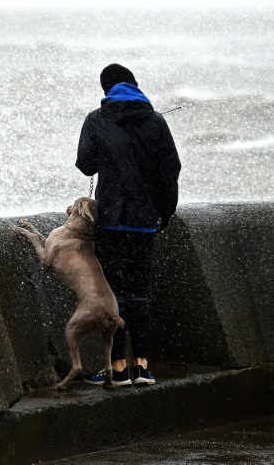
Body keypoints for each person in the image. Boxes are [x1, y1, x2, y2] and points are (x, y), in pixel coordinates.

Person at [75, 63, 181, 387]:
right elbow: (171, 169)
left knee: (114, 295)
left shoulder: (97, 119)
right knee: (139, 294)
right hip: (144, 223)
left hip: (111, 222)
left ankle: (117, 368)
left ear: (106, 90)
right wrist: (165, 211)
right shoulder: (157, 121)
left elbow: (86, 164)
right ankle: (143, 367)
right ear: (135, 84)